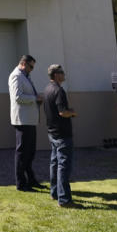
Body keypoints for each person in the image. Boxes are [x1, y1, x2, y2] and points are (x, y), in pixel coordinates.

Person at [8, 54, 42, 190]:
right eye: (31, 66)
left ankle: (31, 179)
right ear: (23, 63)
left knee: (30, 152)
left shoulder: (25, 76)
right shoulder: (16, 76)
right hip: (22, 120)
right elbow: (17, 97)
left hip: (29, 120)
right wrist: (35, 99)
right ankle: (21, 183)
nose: (32, 69)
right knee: (22, 152)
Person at [43, 63, 75, 207]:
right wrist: (72, 112)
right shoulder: (59, 91)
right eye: (62, 72)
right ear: (56, 75)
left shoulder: (47, 89)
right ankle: (64, 199)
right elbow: (62, 112)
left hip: (52, 132)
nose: (64, 74)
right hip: (62, 134)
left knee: (54, 163)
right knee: (63, 166)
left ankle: (54, 192)